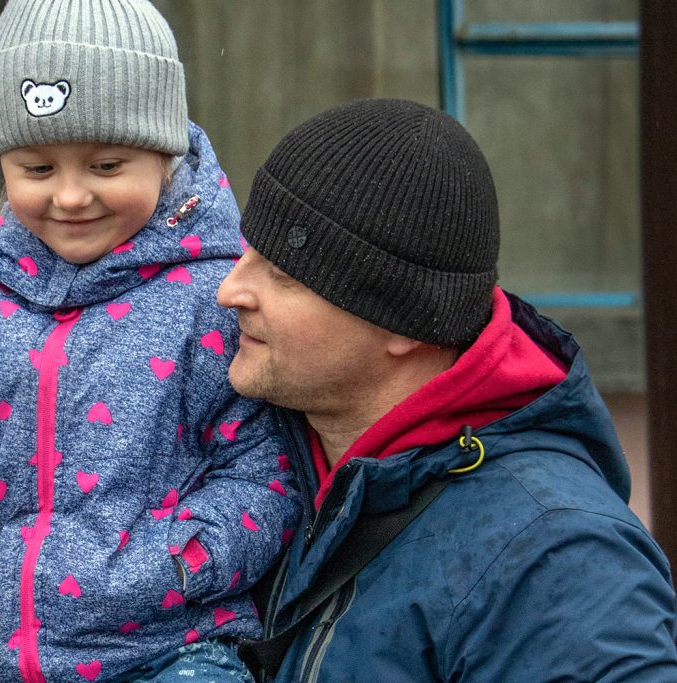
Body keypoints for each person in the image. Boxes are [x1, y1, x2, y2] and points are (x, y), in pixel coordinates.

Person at [0, 1, 300, 682]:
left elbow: (266, 468)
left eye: (106, 164)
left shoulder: (219, 300)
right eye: (37, 169)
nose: (71, 196)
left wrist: (187, 562)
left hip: (176, 651)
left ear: (166, 155)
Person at [217, 98, 677, 682]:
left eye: (283, 274)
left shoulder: (554, 558)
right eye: (247, 249)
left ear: (403, 325)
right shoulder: (247, 453)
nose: (230, 289)